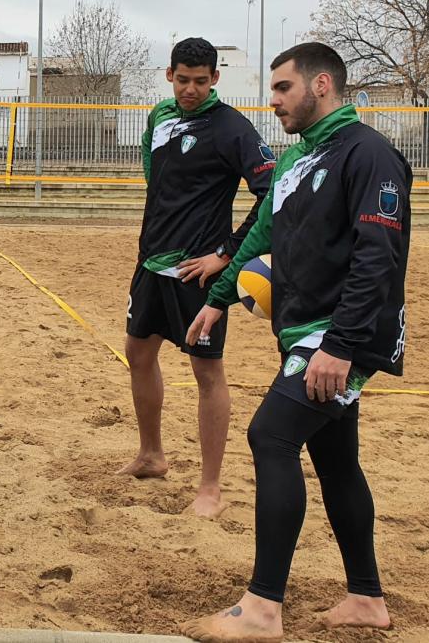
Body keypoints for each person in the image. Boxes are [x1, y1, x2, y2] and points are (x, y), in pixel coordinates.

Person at [183, 42, 408, 641]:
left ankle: (261, 609)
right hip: (305, 329)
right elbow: (261, 232)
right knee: (336, 462)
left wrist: (341, 345)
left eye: (283, 88)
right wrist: (218, 296)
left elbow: (377, 258)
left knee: (271, 435)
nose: (273, 99)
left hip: (338, 335)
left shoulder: (370, 155)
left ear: (322, 85)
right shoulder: (297, 160)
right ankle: (365, 598)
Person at [119, 37, 275, 517]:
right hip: (151, 264)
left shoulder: (234, 129)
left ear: (215, 79)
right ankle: (152, 455)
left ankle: (210, 489)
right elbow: (156, 178)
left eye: (200, 81)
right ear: (169, 75)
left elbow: (271, 195)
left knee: (207, 372)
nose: (190, 89)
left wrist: (225, 255)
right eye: (183, 79)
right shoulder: (159, 117)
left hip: (197, 273)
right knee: (138, 353)